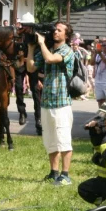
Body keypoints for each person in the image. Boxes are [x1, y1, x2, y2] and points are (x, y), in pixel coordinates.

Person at [26, 21, 76, 185]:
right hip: (47, 102)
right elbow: (31, 68)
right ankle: (54, 172)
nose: (55, 32)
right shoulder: (49, 49)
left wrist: (41, 43)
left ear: (66, 35)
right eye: (54, 30)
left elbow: (50, 59)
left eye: (59, 30)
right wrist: (31, 48)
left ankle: (65, 175)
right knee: (50, 139)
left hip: (61, 103)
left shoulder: (66, 50)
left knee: (64, 139)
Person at [15, 12, 42, 135]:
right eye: (24, 25)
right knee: (18, 87)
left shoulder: (37, 36)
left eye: (28, 25)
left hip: (33, 64)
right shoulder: (18, 35)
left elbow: (41, 53)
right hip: (21, 63)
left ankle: (38, 118)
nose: (25, 27)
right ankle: (22, 112)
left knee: (36, 91)